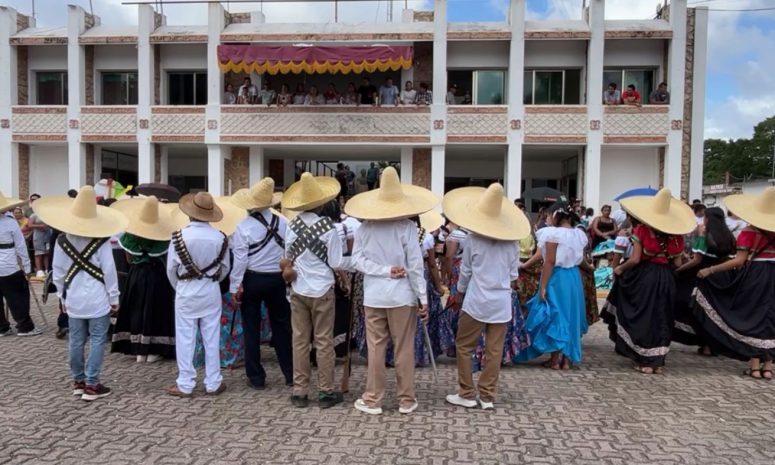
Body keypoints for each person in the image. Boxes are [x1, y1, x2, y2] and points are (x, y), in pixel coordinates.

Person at [345, 167, 436, 415]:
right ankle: (406, 399)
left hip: (374, 294)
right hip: (402, 296)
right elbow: (416, 266)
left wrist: (383, 270)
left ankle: (373, 399)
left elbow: (356, 262)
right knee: (403, 347)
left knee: (376, 348)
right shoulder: (407, 228)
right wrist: (423, 298)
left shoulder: (364, 229)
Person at [443, 183, 529, 410]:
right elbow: (513, 274)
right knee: (494, 350)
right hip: (501, 302)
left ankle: (467, 393)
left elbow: (466, 272)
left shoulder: (473, 240)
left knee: (464, 346)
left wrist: (458, 294)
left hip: (476, 301)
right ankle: (488, 396)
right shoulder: (511, 244)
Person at [38, 186, 127, 400]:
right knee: (97, 339)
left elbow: (57, 273)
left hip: (74, 298)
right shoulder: (102, 240)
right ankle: (92, 384)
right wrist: (114, 298)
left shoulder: (62, 241)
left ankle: (78, 381)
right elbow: (109, 272)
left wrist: (62, 297)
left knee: (76, 340)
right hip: (97, 297)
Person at [601, 189, 695, 374]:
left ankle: (645, 359)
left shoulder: (641, 230)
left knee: (643, 315)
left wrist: (619, 268)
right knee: (662, 315)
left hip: (645, 276)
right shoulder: (676, 235)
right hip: (667, 278)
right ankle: (658, 361)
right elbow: (677, 262)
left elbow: (635, 259)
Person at [281, 172, 349, 409]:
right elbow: (337, 261)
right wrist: (345, 280)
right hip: (322, 289)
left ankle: (300, 391)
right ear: (320, 203)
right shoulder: (329, 229)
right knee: (324, 341)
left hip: (298, 288)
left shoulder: (292, 226)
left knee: (299, 340)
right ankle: (326, 391)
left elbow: (287, 258)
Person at [693, 187, 775, 379]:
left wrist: (711, 269)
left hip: (757, 275)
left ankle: (755, 365)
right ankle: (768, 366)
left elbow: (738, 261)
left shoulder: (748, 233)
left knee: (754, 315)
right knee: (771, 317)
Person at [229, 179, 293, 389]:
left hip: (253, 278)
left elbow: (240, 260)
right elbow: (288, 253)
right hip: (277, 279)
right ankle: (290, 373)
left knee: (251, 328)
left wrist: (235, 286)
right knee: (282, 327)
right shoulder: (283, 223)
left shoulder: (243, 227)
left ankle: (256, 377)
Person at [166, 192, 230, 397]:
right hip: (211, 289)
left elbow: (170, 270)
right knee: (212, 336)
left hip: (186, 289)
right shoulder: (220, 237)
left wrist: (180, 287)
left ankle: (185, 383)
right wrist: (212, 281)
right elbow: (225, 268)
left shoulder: (179, 236)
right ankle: (213, 382)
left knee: (185, 337)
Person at [110, 197, 182, 362]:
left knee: (136, 309)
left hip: (137, 275)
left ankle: (138, 350)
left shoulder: (130, 234)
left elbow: (128, 259)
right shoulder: (163, 236)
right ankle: (154, 350)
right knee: (156, 309)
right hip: (158, 276)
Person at [516, 205, 588, 370]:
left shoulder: (553, 233)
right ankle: (567, 359)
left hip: (557, 276)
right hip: (574, 277)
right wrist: (589, 268)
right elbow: (581, 259)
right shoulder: (579, 234)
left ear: (555, 217)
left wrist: (543, 285)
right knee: (570, 315)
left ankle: (555, 359)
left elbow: (549, 261)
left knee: (555, 313)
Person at [673, 207, 735, 353]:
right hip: (723, 276)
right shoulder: (730, 237)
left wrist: (678, 270)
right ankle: (713, 344)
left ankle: (704, 343)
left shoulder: (705, 236)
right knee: (715, 312)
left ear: (708, 219)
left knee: (697, 309)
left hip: (703, 275)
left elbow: (696, 261)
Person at [0, 192, 40, 337]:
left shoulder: (10, 221)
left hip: (6, 264)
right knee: (18, 296)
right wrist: (28, 268)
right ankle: (25, 327)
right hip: (9, 266)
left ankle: (2, 328)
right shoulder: (10, 222)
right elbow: (21, 247)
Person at [27, 194, 51, 277]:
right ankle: (39, 270)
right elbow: (29, 225)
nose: (34, 201)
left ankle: (47, 269)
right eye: (32, 200)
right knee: (38, 253)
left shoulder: (46, 212)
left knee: (46, 253)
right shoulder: (33, 214)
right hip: (38, 235)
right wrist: (39, 226)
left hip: (47, 234)